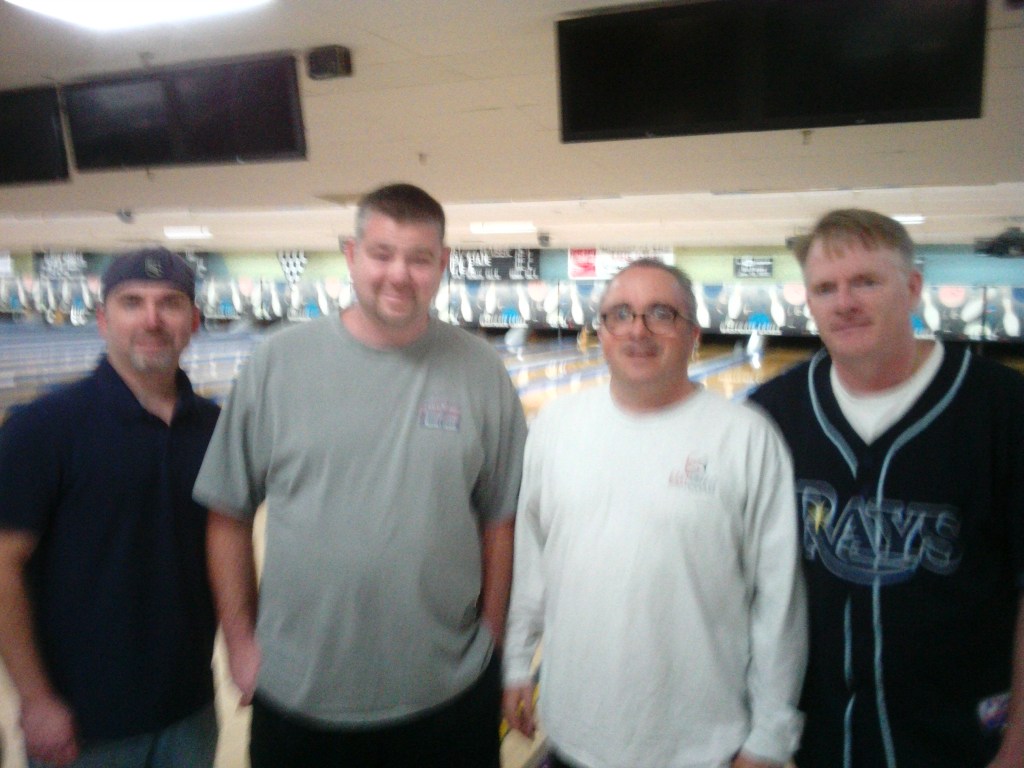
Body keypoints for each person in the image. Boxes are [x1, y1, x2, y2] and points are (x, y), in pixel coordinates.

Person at [193, 183, 528, 767]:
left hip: (448, 696)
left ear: (442, 265)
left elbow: (501, 519)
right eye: (381, 253)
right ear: (351, 254)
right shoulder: (276, 363)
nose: (399, 273)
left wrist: (492, 641)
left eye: (420, 258)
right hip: (300, 695)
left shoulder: (481, 371)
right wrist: (241, 644)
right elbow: (227, 512)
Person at [503, 259, 808, 768]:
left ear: (693, 333)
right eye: (620, 314)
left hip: (700, 748)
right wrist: (516, 664)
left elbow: (778, 600)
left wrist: (770, 737)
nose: (637, 330)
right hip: (572, 736)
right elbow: (533, 559)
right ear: (599, 330)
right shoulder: (556, 427)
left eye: (660, 314)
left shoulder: (747, 436)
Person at [747, 209, 1024, 768]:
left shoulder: (1004, 408)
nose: (844, 302)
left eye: (866, 281)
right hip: (810, 742)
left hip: (963, 742)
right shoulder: (770, 415)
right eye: (826, 288)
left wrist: (1018, 746)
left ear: (914, 288)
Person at [0, 248, 220, 768]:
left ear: (193, 321)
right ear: (103, 319)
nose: (151, 319)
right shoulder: (42, 428)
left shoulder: (214, 428)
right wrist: (35, 700)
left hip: (189, 710)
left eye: (169, 303)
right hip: (82, 723)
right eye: (131, 303)